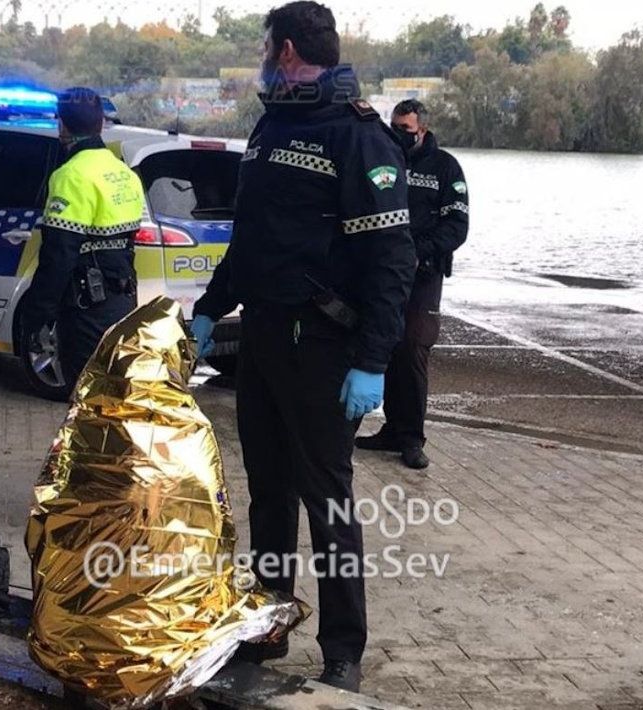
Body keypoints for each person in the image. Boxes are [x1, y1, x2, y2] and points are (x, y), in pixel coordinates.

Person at [189, 1, 414, 692]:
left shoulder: (360, 139)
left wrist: (374, 360)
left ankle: (343, 648)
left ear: (285, 50)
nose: (263, 53)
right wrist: (208, 308)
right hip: (261, 339)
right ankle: (268, 624)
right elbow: (252, 239)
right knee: (269, 493)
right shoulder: (269, 128)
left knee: (330, 504)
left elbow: (392, 259)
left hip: (324, 348)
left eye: (266, 44)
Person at [355, 99, 469, 470]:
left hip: (422, 273)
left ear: (422, 129)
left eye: (405, 129)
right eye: (394, 127)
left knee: (413, 350)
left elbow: (457, 227)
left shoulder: (445, 167)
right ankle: (391, 429)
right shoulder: (387, 160)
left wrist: (417, 252)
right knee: (384, 343)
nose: (398, 134)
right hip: (385, 272)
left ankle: (412, 438)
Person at [21, 87, 145, 388]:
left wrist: (37, 316)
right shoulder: (125, 174)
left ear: (62, 125)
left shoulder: (71, 175)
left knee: (86, 396)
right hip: (123, 303)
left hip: (84, 309)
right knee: (115, 394)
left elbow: (58, 255)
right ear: (101, 123)